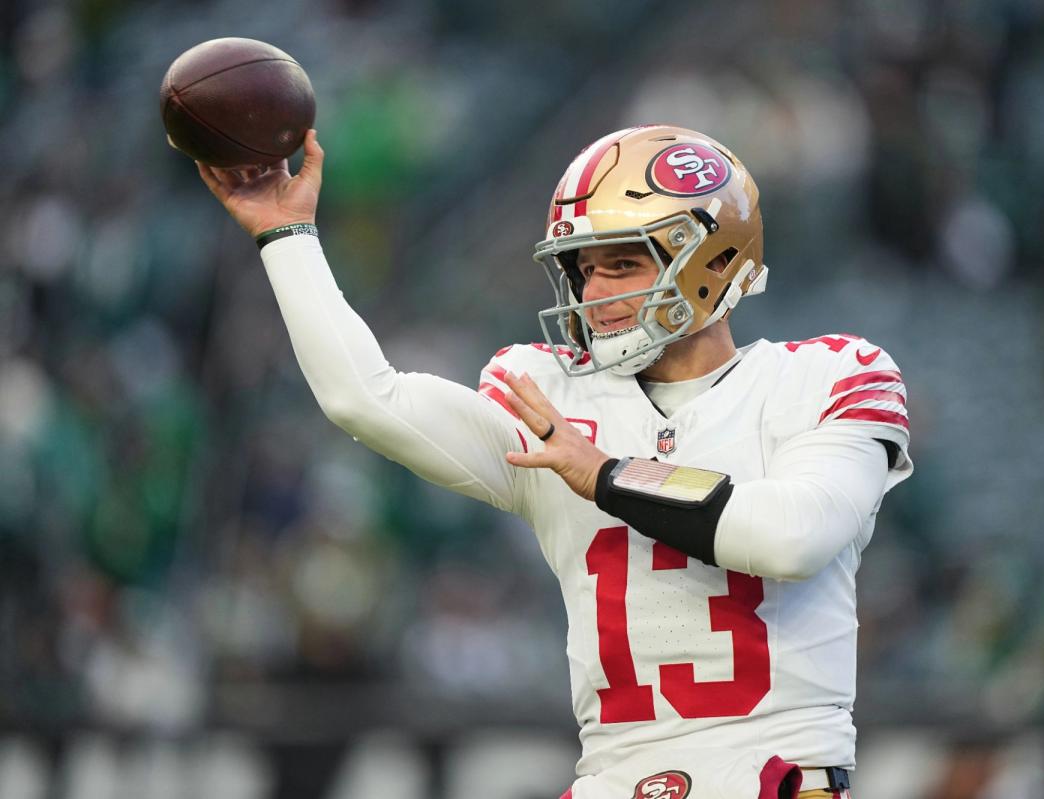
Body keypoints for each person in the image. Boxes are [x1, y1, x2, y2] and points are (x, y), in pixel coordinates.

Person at [196, 124, 912, 799]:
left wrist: (606, 475)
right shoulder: (554, 399)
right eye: (584, 269)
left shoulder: (827, 378)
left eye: (624, 262)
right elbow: (366, 398)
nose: (595, 293)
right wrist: (286, 235)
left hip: (776, 775)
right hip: (613, 776)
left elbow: (792, 537)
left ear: (716, 258)